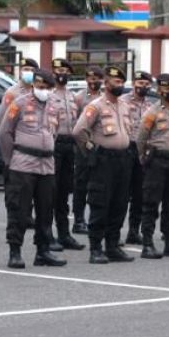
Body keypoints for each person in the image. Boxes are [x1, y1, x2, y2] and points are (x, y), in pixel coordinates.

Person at [0, 69, 67, 269]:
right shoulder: (19, 103)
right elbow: (5, 132)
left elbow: (53, 133)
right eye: (39, 87)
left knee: (46, 211)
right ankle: (15, 251)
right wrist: (10, 160)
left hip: (46, 165)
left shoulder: (55, 105)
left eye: (46, 87)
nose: (42, 90)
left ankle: (43, 251)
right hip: (23, 163)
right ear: (33, 85)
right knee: (19, 210)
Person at [73, 66, 135, 264]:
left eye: (121, 82)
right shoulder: (96, 106)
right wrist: (90, 150)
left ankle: (113, 245)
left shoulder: (124, 106)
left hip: (123, 159)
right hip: (104, 161)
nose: (119, 85)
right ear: (106, 83)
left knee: (119, 203)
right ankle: (96, 248)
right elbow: (79, 131)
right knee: (101, 203)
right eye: (116, 82)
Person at [136, 73, 169, 260]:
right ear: (159, 91)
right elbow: (141, 138)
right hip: (157, 160)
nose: (168, 92)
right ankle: (147, 244)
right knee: (151, 203)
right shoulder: (152, 112)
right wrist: (144, 157)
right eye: (165, 89)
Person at [46, 58, 83, 251]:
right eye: (58, 70)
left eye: (65, 71)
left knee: (64, 192)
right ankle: (47, 235)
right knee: (50, 192)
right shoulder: (47, 95)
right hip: (55, 144)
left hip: (70, 146)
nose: (62, 74)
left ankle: (64, 234)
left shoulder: (72, 96)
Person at [121, 70, 154, 245]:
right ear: (133, 83)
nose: (143, 87)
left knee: (140, 193)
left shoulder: (150, 105)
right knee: (121, 193)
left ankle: (134, 230)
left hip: (142, 150)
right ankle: (114, 231)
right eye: (140, 83)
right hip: (126, 148)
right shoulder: (122, 101)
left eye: (147, 84)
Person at [71, 66, 104, 234]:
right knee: (81, 185)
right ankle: (78, 220)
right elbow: (74, 123)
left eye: (97, 79)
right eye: (91, 79)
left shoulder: (105, 98)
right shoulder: (79, 98)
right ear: (86, 80)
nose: (94, 82)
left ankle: (95, 219)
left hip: (99, 147)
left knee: (98, 185)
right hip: (83, 147)